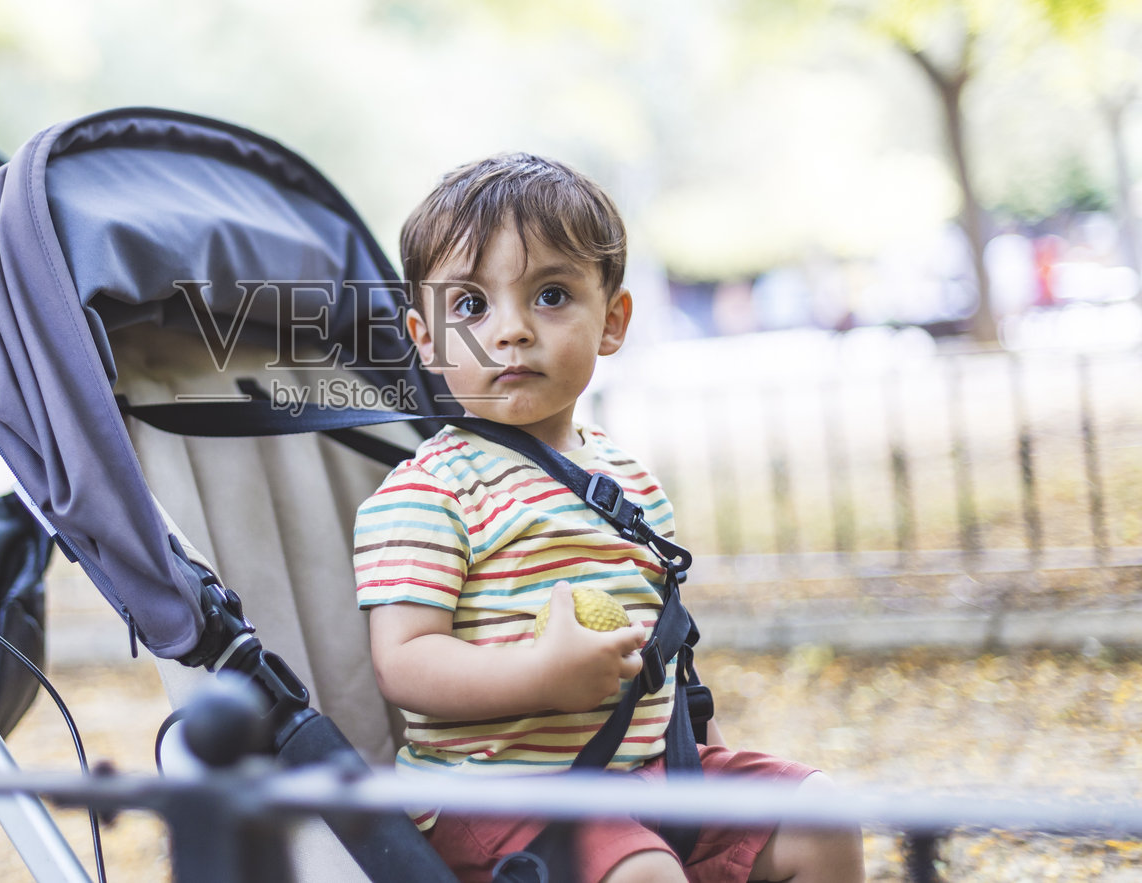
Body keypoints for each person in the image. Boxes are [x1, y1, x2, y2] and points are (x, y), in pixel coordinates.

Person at [353, 153, 864, 883]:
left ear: (613, 320)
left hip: (648, 774)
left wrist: (700, 745)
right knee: (644, 871)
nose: (511, 330)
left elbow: (664, 640)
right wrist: (539, 676)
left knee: (819, 816)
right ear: (426, 338)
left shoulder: (630, 482)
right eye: (470, 305)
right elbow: (403, 660)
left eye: (551, 294)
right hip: (499, 796)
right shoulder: (428, 492)